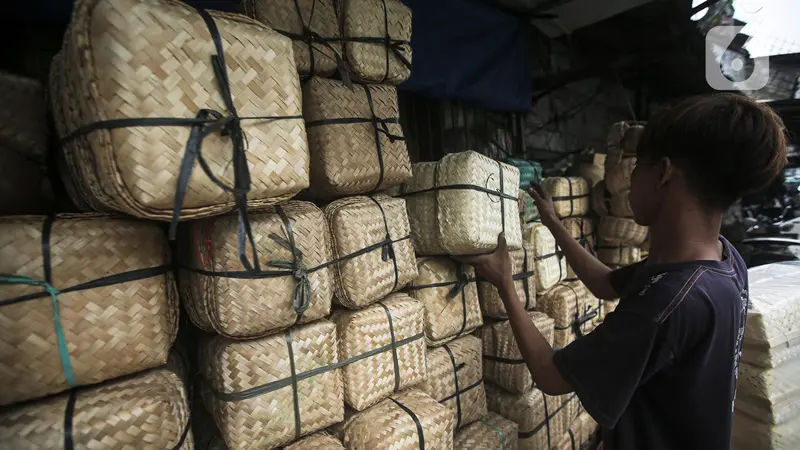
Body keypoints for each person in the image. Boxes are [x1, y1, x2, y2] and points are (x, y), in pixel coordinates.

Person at [459, 94, 788, 450]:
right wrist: (554, 225)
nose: (629, 179)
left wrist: (506, 284)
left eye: (637, 165)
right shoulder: (720, 260)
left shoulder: (667, 302)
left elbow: (550, 375)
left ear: (663, 173)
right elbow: (604, 284)